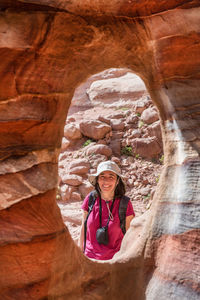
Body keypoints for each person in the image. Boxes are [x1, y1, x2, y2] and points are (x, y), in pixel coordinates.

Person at [79, 160, 135, 260]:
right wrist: (80, 255)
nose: (106, 181)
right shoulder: (90, 199)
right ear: (97, 180)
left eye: (111, 176)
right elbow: (83, 227)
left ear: (117, 181)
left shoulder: (125, 204)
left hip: (114, 262)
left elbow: (129, 236)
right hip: (89, 259)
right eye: (102, 176)